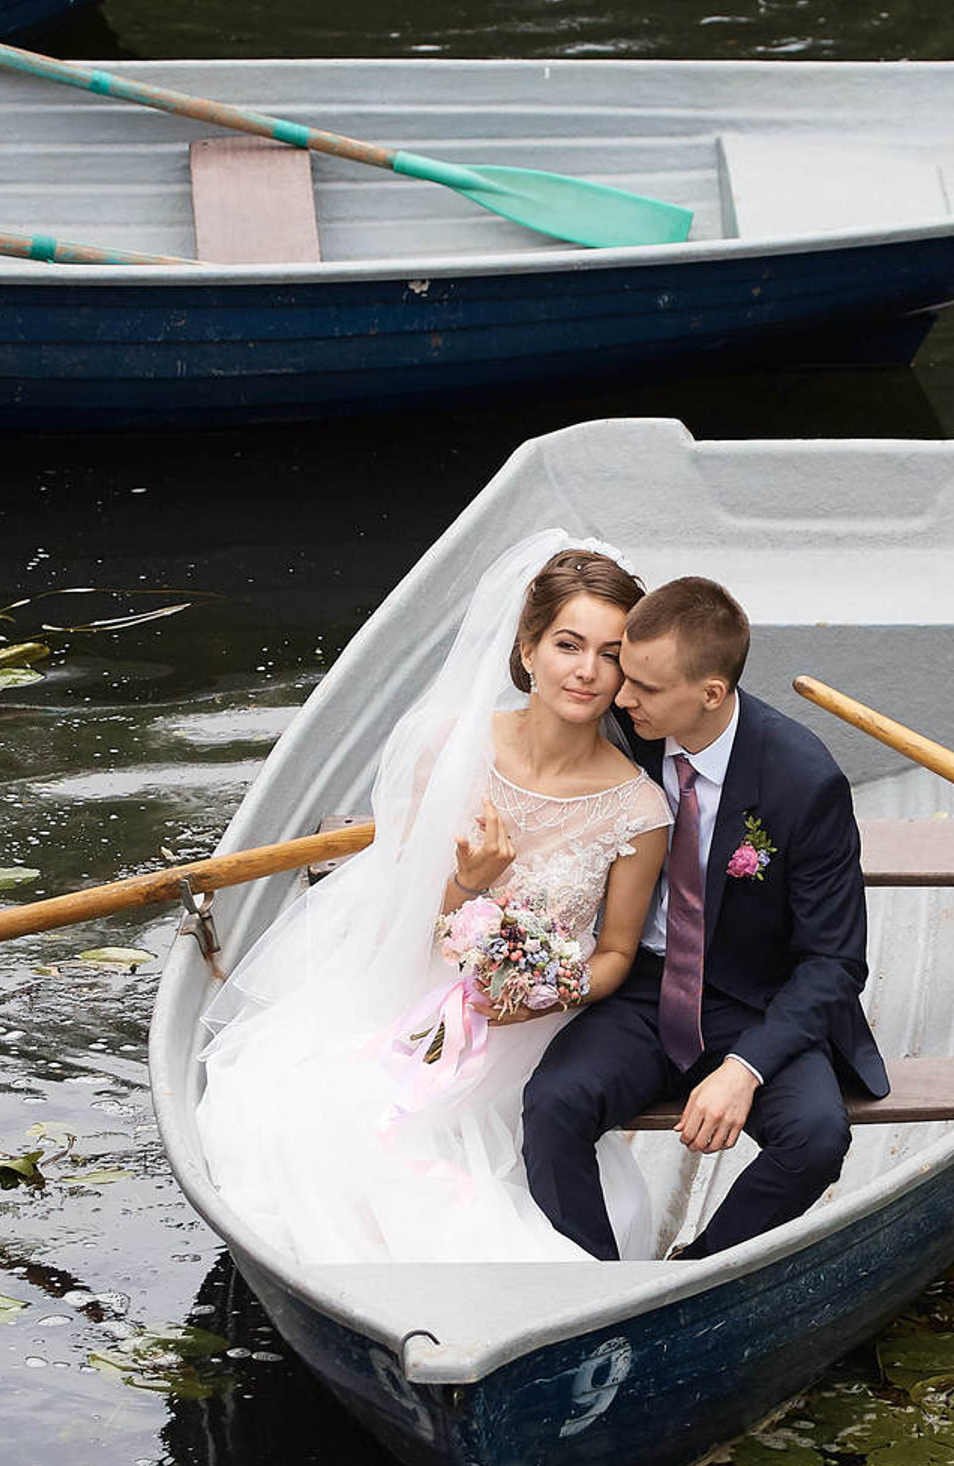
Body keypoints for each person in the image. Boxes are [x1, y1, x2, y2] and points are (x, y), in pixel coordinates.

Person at [194, 536, 672, 1264]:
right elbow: (408, 925)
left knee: (447, 1155)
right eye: (568, 645)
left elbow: (614, 954)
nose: (586, 671)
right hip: (419, 989)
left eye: (610, 655)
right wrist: (471, 883)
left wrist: (552, 990)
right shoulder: (448, 746)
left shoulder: (638, 807)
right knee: (318, 1121)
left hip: (537, 1023)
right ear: (528, 647)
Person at [521, 575, 888, 1262]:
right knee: (553, 1105)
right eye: (622, 675)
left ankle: (693, 1275)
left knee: (815, 1139)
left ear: (711, 694)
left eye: (644, 687)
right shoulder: (625, 737)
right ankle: (596, 1288)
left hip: (755, 1002)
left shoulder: (803, 780)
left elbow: (836, 962)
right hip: (638, 985)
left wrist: (745, 1068)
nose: (618, 696)